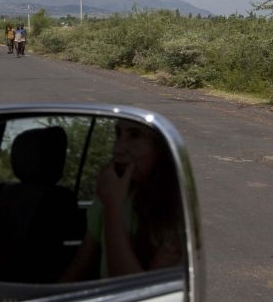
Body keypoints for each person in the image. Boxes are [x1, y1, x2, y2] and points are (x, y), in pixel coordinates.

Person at [60, 119, 184, 281]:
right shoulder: (110, 194)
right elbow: (80, 266)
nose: (117, 149)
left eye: (134, 135)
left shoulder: (179, 210)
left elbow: (137, 291)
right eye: (117, 134)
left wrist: (112, 207)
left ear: (163, 147)